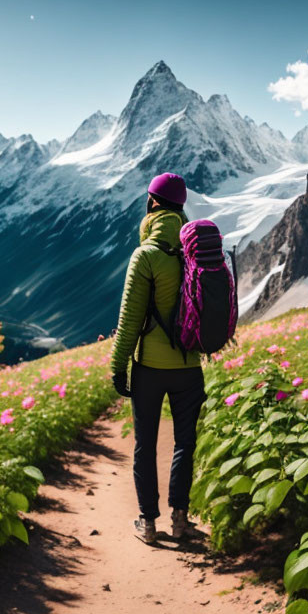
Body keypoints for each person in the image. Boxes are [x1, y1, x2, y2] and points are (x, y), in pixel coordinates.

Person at [109, 172, 206, 544]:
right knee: (185, 442)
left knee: (144, 444)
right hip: (189, 367)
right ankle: (180, 519)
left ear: (151, 204)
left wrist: (119, 367)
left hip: (149, 367)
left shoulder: (146, 255)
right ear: (181, 209)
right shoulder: (195, 252)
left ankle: (148, 524)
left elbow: (129, 320)